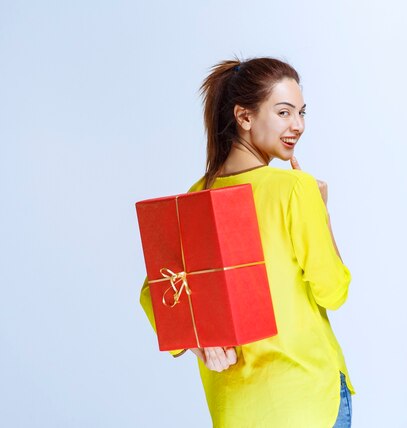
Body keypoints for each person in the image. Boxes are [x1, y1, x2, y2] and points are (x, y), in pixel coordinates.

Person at [139, 57, 354, 427]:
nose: (298, 125)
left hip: (235, 408)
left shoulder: (195, 197)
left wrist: (198, 344)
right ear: (244, 117)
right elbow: (334, 291)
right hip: (307, 399)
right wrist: (322, 213)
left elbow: (156, 293)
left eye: (301, 113)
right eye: (284, 112)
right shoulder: (295, 189)